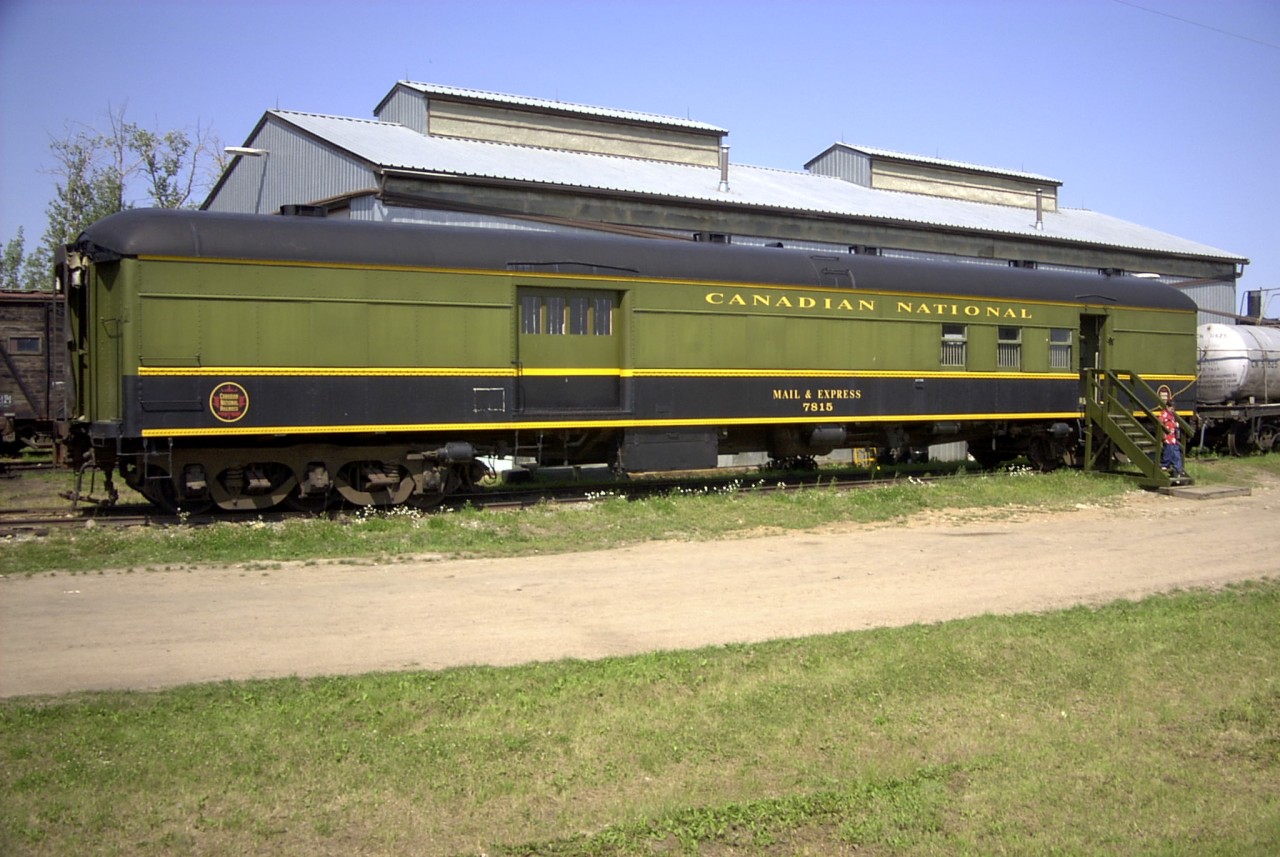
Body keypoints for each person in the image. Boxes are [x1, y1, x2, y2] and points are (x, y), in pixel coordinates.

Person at [1156, 385, 1187, 478]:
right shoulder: (1164, 415)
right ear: (1167, 407)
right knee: (1168, 452)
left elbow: (1172, 423)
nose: (1173, 410)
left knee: (1176, 453)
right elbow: (1160, 424)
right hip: (1167, 437)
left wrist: (1175, 425)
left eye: (1173, 408)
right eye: (1171, 408)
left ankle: (1178, 469)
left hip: (1173, 437)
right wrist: (1163, 437)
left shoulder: (1171, 415)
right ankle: (1164, 464)